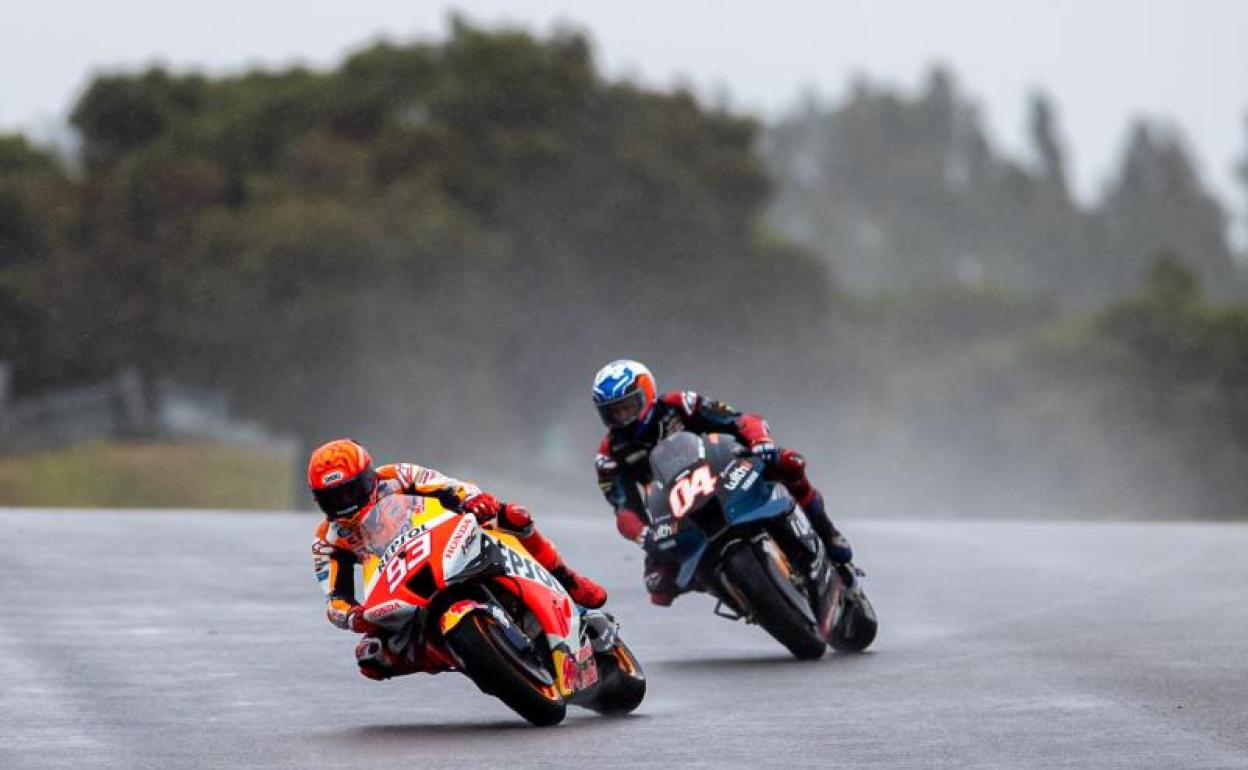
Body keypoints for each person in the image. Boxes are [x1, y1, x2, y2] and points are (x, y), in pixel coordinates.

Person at [308, 437, 606, 680]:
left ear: (369, 477)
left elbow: (448, 486)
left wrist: (472, 500)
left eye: (351, 491)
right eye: (333, 498)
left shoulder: (397, 476)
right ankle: (465, 655)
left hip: (444, 540)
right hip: (398, 587)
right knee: (371, 658)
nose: (345, 504)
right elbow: (335, 599)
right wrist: (351, 615)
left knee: (514, 515)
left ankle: (567, 578)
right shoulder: (327, 540)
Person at [591, 359, 853, 606]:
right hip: (674, 512)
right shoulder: (609, 455)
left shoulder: (679, 404)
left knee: (789, 462)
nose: (622, 417)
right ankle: (730, 588)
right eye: (613, 412)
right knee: (658, 587)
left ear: (646, 394)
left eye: (627, 406)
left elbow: (738, 421)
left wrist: (760, 442)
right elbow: (624, 509)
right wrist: (642, 534)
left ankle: (828, 532)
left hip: (723, 473)